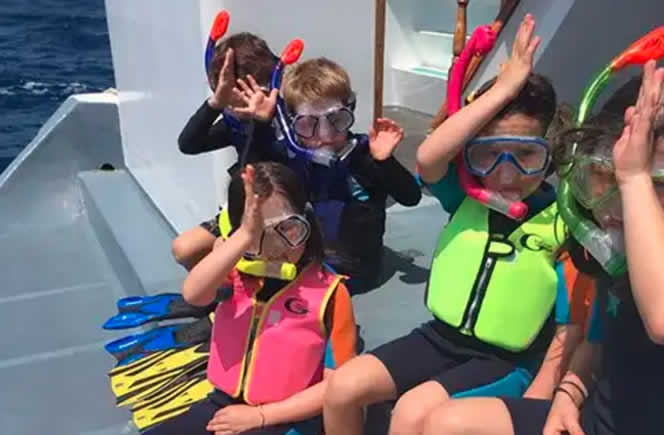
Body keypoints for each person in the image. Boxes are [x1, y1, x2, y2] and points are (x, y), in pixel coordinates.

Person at [420, 61, 664, 435]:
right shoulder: (608, 251)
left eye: (658, 187)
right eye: (602, 176)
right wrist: (568, 396)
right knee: (443, 423)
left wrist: (634, 178)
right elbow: (595, 341)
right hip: (592, 420)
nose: (619, 208)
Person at [323, 15, 580, 435]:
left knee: (410, 412)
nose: (507, 173)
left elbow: (569, 329)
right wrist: (502, 91)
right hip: (438, 338)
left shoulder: (562, 224)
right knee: (343, 387)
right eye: (488, 156)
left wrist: (543, 391)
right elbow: (428, 157)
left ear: (548, 154)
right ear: (470, 155)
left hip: (504, 360)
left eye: (526, 156)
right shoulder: (463, 197)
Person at [146, 161, 357, 435]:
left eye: (289, 230)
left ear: (307, 222)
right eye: (259, 236)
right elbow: (194, 294)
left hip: (289, 418)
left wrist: (261, 416)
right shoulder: (234, 275)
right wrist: (243, 237)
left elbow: (340, 384)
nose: (276, 248)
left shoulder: (330, 294)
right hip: (222, 406)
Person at [276, 57, 421, 293]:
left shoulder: (366, 153)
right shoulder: (290, 157)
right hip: (305, 264)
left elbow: (411, 196)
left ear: (350, 111)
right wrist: (259, 126)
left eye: (336, 121)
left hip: (356, 272)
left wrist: (385, 162)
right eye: (307, 125)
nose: (325, 135)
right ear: (291, 123)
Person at [173, 33, 283, 270]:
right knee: (183, 249)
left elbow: (252, 169)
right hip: (240, 210)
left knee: (221, 252)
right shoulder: (236, 123)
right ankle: (224, 294)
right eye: (231, 103)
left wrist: (261, 122)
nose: (238, 110)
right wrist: (214, 104)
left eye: (244, 99)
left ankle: (237, 296)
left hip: (279, 214)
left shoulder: (283, 123)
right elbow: (188, 144)